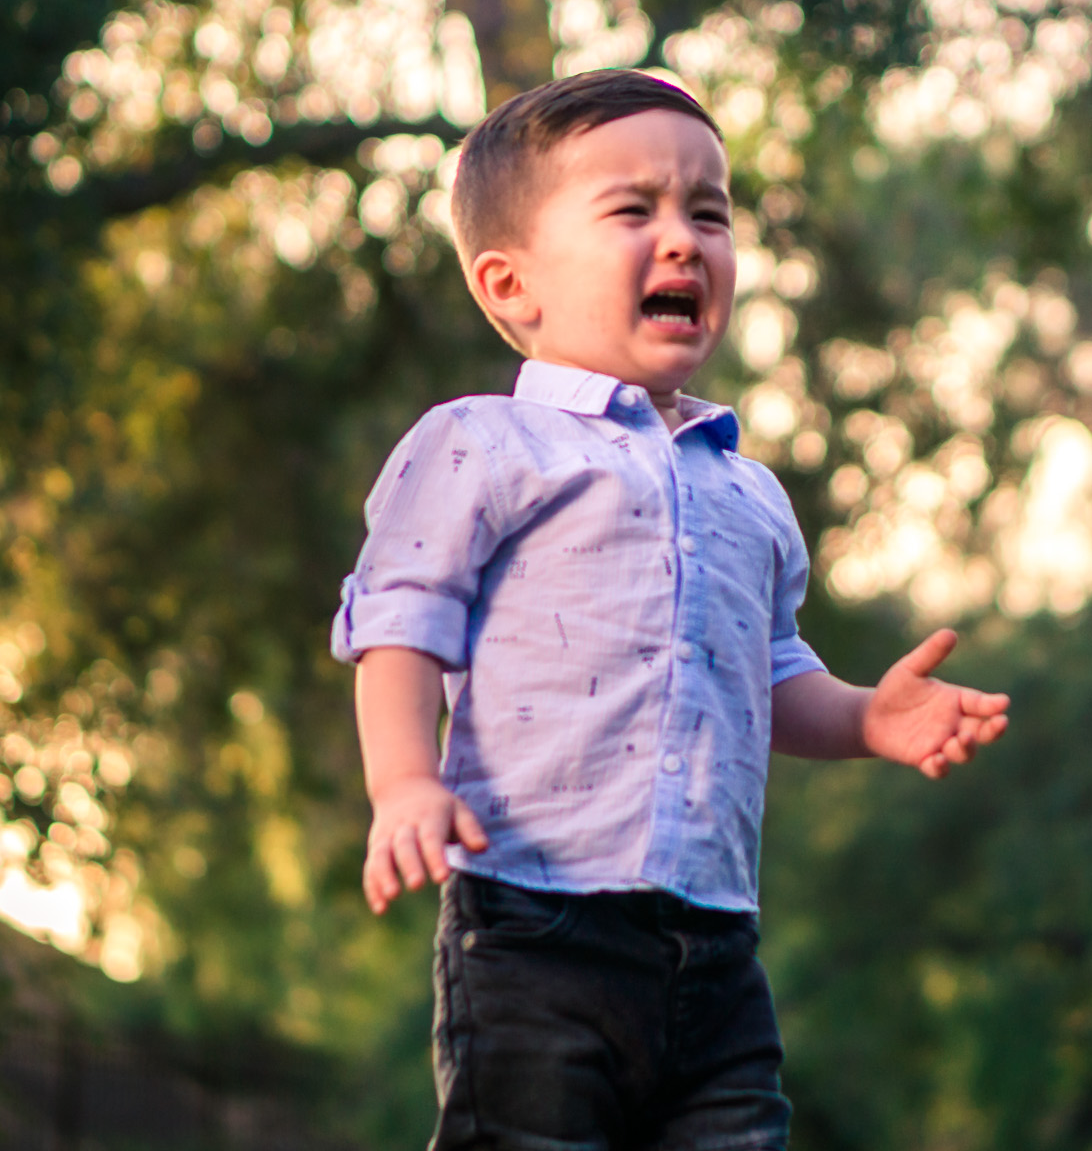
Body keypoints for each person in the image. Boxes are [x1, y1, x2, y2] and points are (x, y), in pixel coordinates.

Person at [333, 68, 1011, 1150]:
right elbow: (400, 624)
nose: (686, 239)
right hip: (534, 920)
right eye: (632, 210)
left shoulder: (749, 491)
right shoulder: (484, 444)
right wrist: (405, 781)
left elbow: (771, 670)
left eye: (710, 211)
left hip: (716, 940)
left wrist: (867, 719)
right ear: (512, 286)